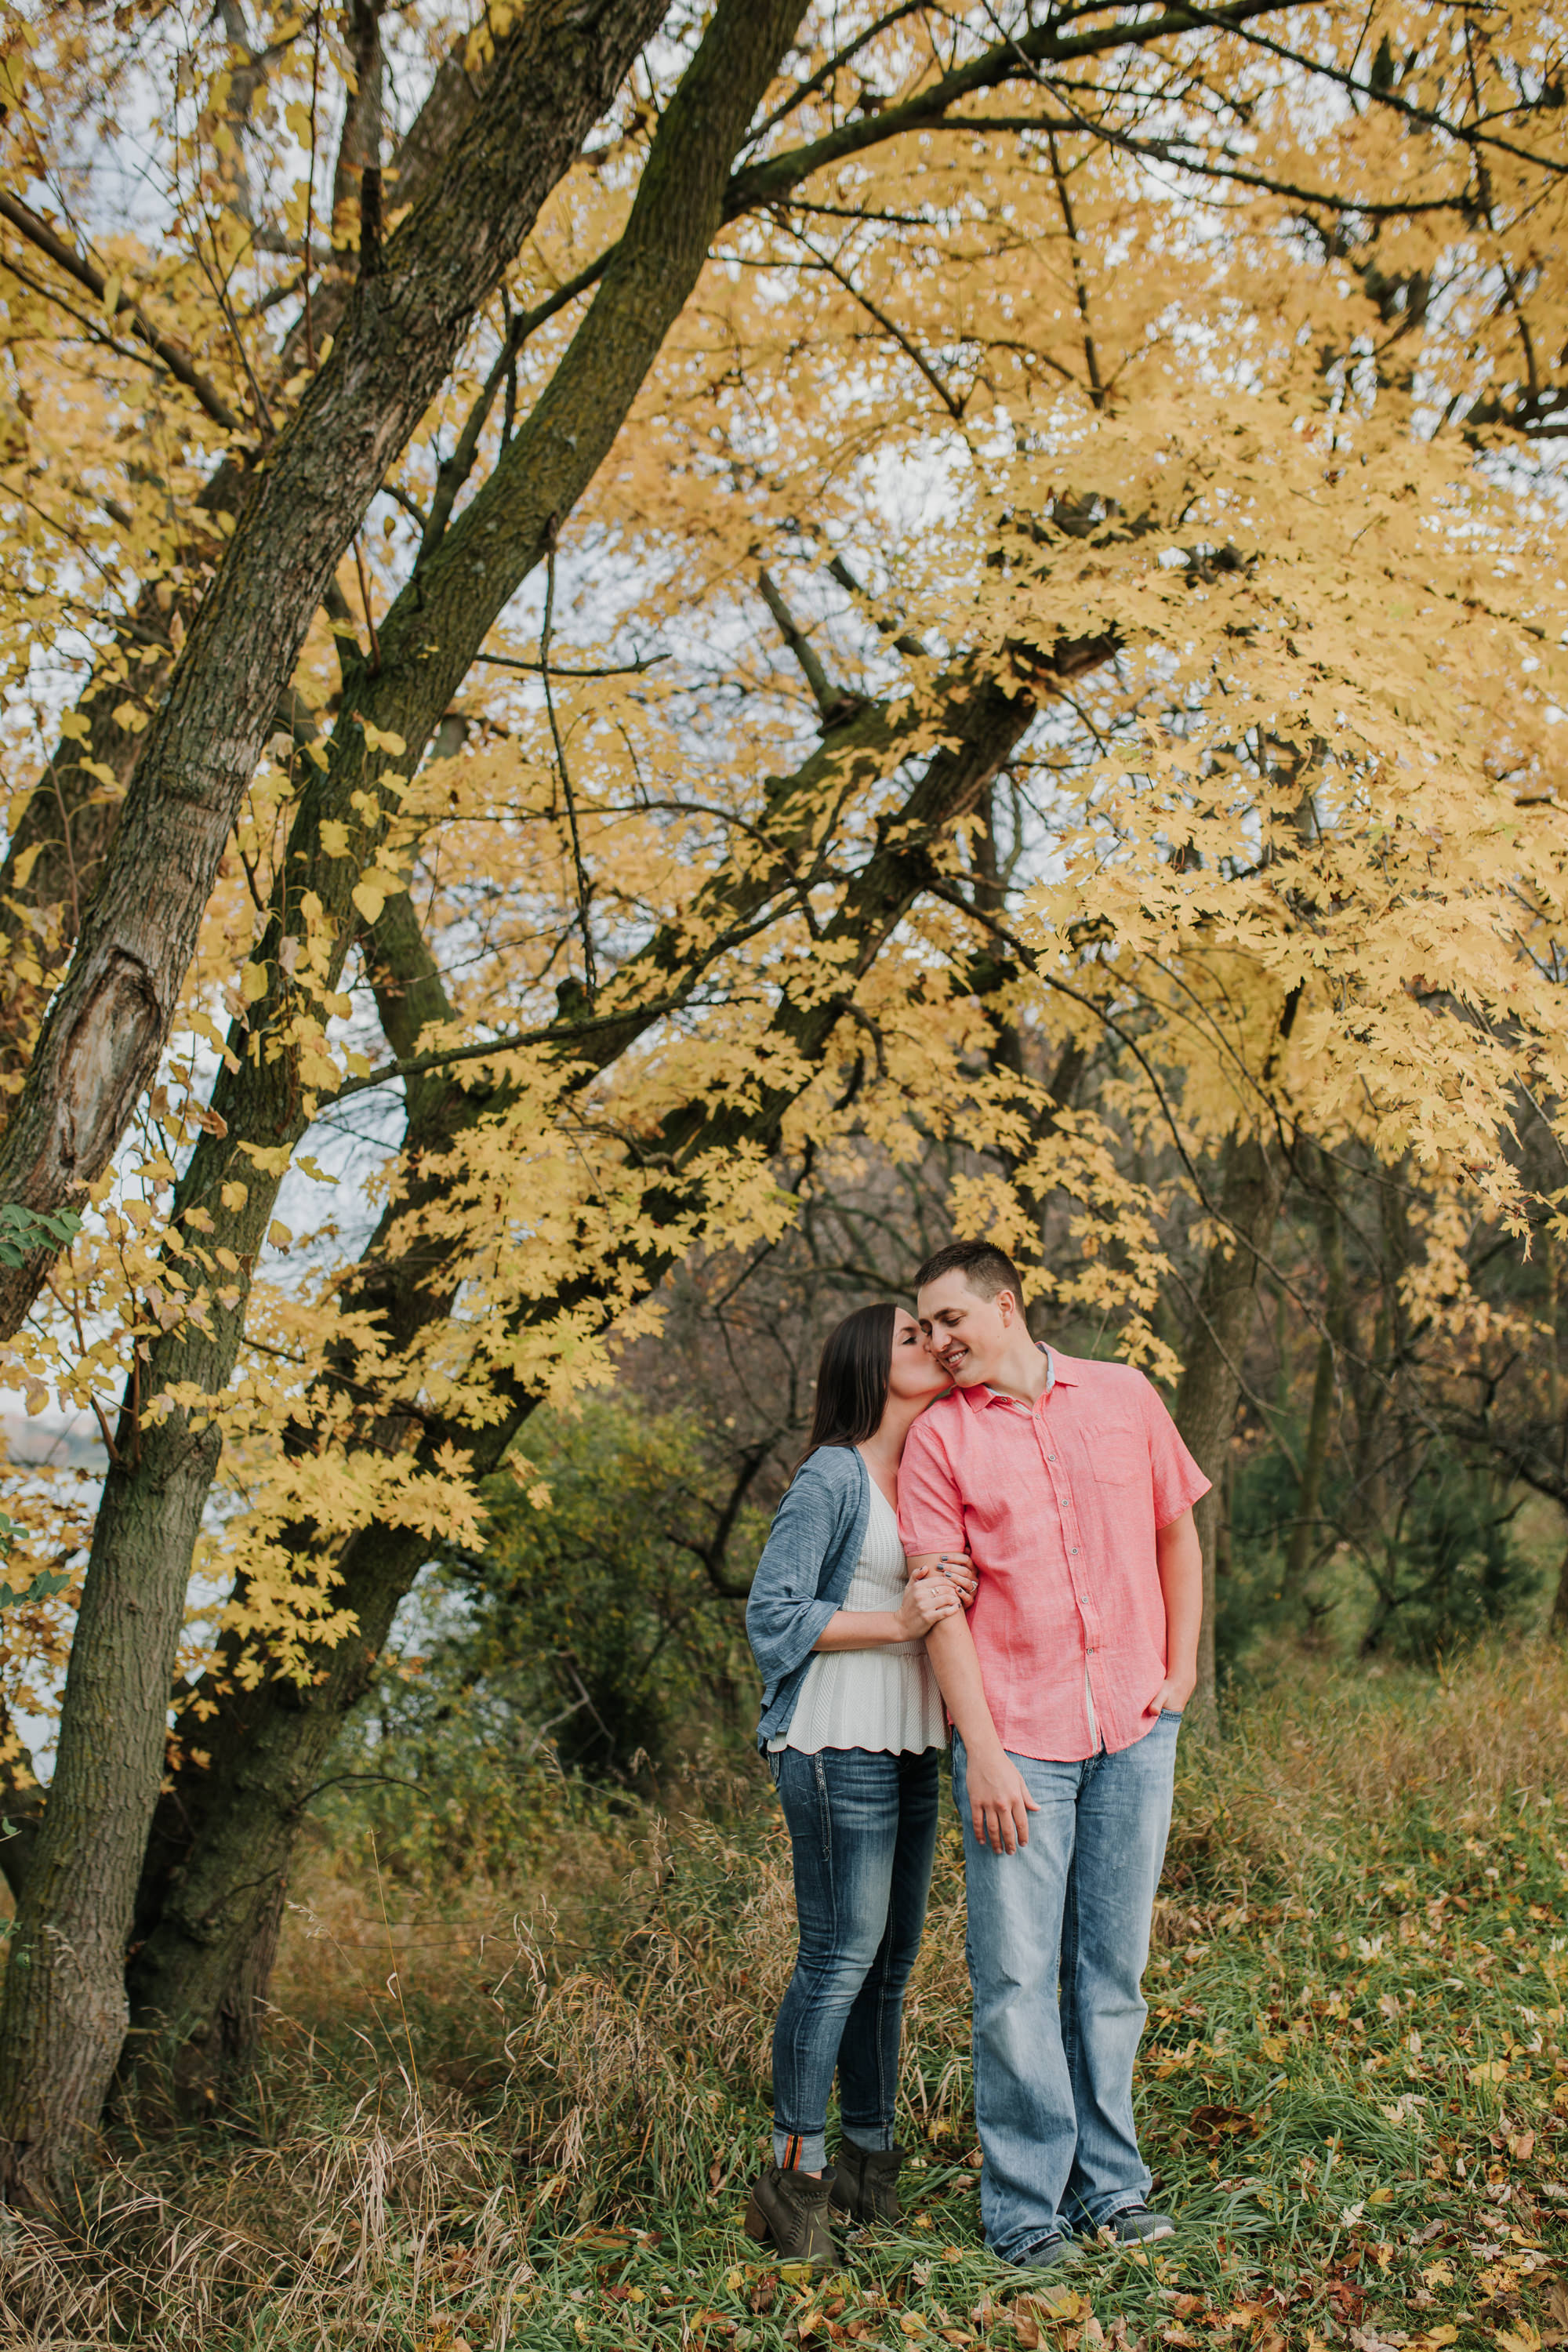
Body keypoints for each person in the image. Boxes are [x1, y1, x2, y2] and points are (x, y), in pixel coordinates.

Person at [901, 1239, 1208, 2271]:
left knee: (1111, 1972)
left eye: (952, 1320)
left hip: (1134, 1727)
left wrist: (1181, 1674)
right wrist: (980, 1755)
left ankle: (1112, 2193)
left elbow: (1178, 1532)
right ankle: (1025, 2211)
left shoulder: (1125, 1396)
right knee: (1018, 1983)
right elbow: (941, 1609)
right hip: (1017, 1743)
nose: (938, 1342)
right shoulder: (939, 1444)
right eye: (925, 1328)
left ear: (1007, 1304)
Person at [743, 1301, 977, 2275]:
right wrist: (901, 1620)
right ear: (869, 1366)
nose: (932, 1345)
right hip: (835, 1740)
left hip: (908, 1744)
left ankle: (866, 2168)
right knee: (837, 1959)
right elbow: (772, 1614)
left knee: (888, 1967)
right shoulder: (833, 1475)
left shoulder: (923, 1466)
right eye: (912, 1338)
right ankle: (788, 2183)